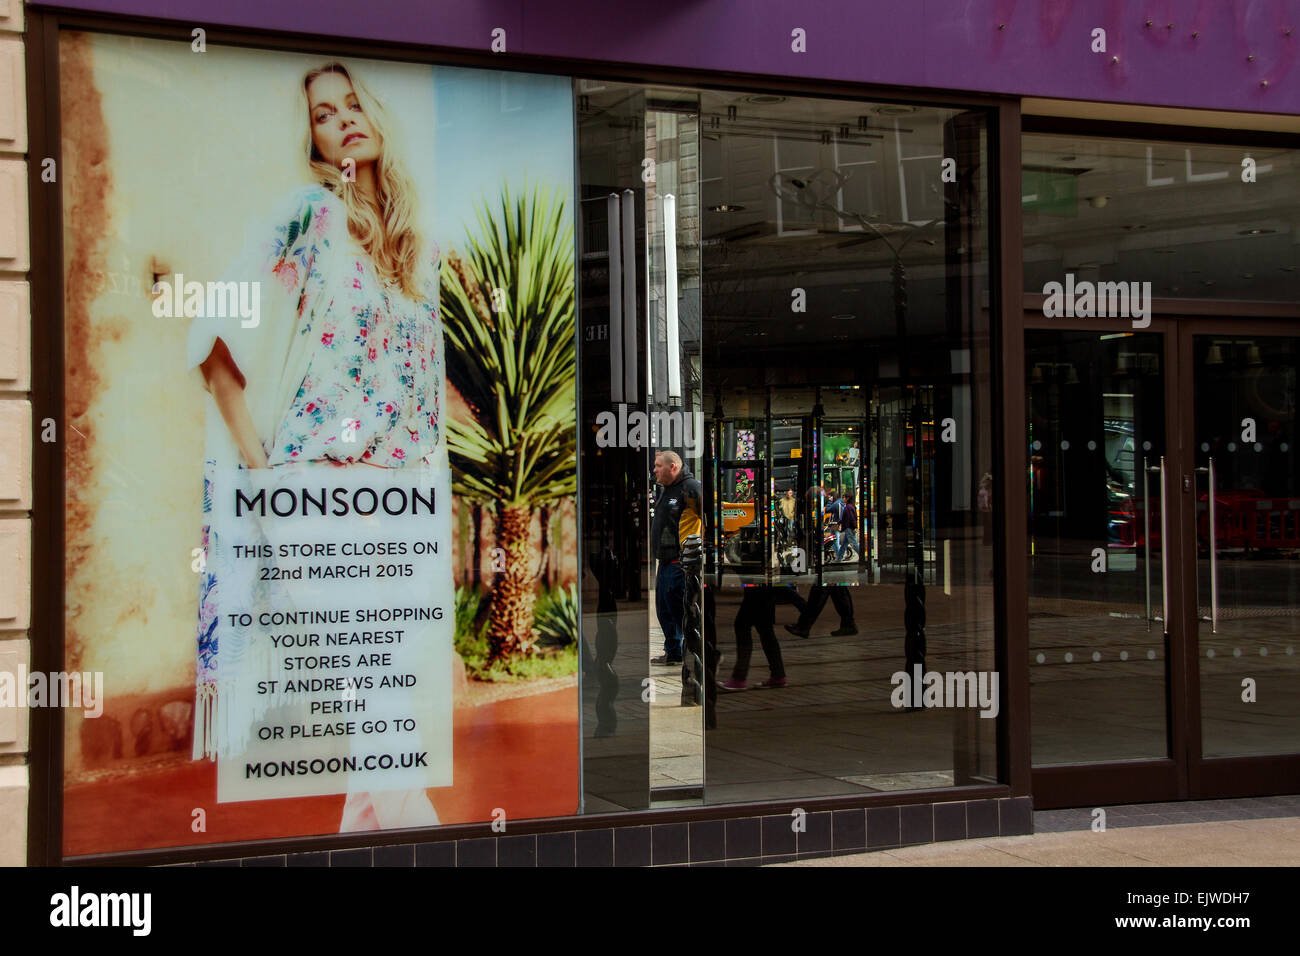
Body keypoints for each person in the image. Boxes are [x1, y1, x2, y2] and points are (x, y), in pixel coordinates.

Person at [188, 61, 447, 831]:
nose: (342, 119)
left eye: (352, 103)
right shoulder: (309, 216)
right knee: (384, 719)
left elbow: (423, 396)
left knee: (378, 729)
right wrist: (265, 481)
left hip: (398, 501)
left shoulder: (412, 251)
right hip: (316, 495)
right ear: (313, 140)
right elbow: (213, 338)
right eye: (323, 114)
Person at [650, 450, 703, 665]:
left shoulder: (690, 488)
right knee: (664, 608)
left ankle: (688, 650)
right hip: (664, 561)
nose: (654, 470)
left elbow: (707, 514)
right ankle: (673, 652)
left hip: (679, 561)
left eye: (658, 465)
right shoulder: (668, 489)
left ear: (673, 467)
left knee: (676, 605)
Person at [719, 586, 787, 690]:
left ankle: (739, 677)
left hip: (757, 590)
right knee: (765, 630)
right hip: (765, 589)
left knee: (742, 626)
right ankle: (778, 674)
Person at [836, 494, 858, 561]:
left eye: (844, 497)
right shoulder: (849, 506)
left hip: (849, 528)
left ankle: (863, 556)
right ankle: (839, 558)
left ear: (847, 498)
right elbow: (847, 518)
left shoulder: (848, 507)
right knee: (844, 544)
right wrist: (839, 522)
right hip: (848, 528)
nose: (843, 499)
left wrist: (854, 527)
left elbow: (852, 518)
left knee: (854, 544)